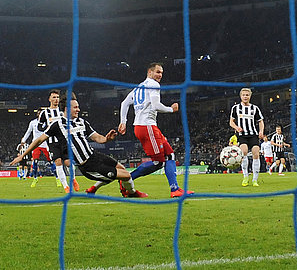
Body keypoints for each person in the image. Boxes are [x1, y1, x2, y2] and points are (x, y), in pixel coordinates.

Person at [10, 93, 147, 198]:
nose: (78, 109)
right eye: (75, 107)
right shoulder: (57, 125)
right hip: (88, 165)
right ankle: (132, 192)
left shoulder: (82, 122)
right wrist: (22, 155)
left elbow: (98, 138)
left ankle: (94, 189)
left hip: (95, 156)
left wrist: (107, 138)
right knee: (126, 175)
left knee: (121, 169)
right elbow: (38, 140)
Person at [118, 62, 193, 198]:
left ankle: (175, 189)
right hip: (147, 126)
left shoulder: (138, 87)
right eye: (157, 72)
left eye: (161, 73)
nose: (160, 75)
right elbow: (156, 105)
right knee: (158, 162)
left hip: (145, 126)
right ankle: (125, 179)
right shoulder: (153, 85)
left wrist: (123, 121)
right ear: (149, 72)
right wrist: (172, 109)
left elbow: (124, 103)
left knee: (170, 155)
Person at [38, 89, 80, 192]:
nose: (56, 99)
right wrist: (48, 128)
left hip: (63, 140)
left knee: (68, 162)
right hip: (52, 142)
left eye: (57, 97)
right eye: (54, 97)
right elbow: (39, 127)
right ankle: (65, 186)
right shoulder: (44, 113)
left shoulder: (62, 112)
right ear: (49, 99)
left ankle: (73, 179)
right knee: (58, 162)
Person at [229, 88, 264, 186]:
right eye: (243, 95)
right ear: (240, 96)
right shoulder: (235, 108)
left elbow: (260, 121)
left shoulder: (255, 108)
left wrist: (261, 131)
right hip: (242, 135)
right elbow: (231, 122)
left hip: (253, 134)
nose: (245, 96)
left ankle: (255, 179)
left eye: (247, 95)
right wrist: (236, 127)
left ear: (250, 96)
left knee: (256, 154)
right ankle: (245, 177)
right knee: (244, 152)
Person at [22, 110, 60, 188]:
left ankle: (57, 178)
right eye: (39, 114)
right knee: (35, 161)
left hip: (45, 144)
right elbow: (28, 132)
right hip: (36, 144)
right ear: (37, 114)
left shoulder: (48, 122)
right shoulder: (33, 123)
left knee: (51, 162)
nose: (40, 115)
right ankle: (35, 178)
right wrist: (23, 140)